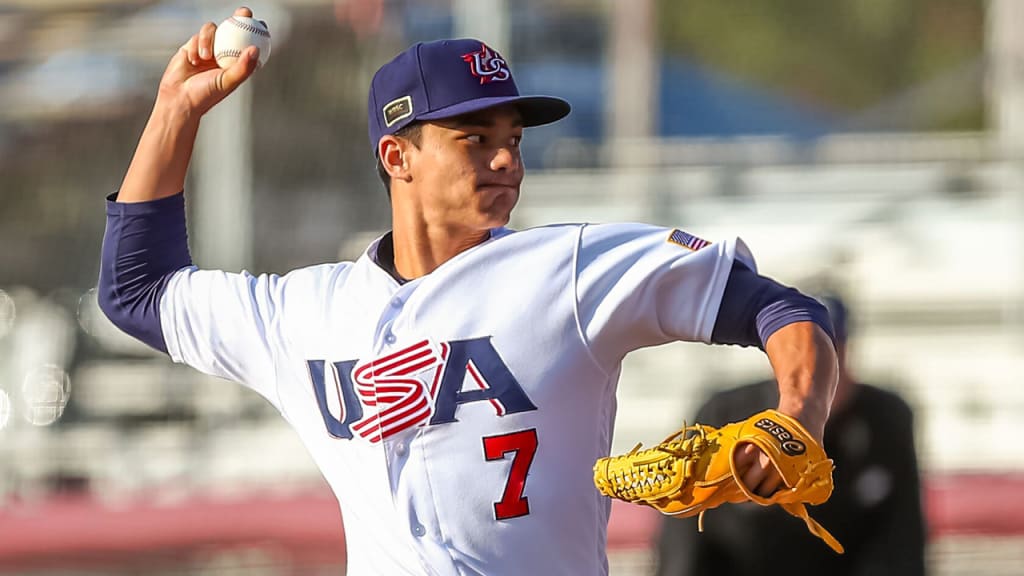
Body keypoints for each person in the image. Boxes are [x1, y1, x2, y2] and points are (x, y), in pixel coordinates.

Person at [98, 7, 840, 575]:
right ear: (398, 155)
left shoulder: (571, 271)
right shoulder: (306, 313)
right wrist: (175, 112)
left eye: (513, 139)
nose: (506, 160)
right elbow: (136, 289)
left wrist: (796, 414)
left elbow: (780, 308)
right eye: (474, 138)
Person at [655, 293, 926, 576]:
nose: (817, 372)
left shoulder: (885, 420)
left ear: (846, 355)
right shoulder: (725, 414)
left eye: (829, 354)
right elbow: (683, 540)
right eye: (805, 354)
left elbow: (901, 541)